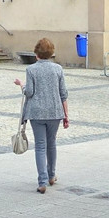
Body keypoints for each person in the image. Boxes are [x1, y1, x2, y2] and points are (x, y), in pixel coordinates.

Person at [14, 38, 69, 193]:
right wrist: (66, 115)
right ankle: (51, 175)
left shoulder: (31, 70)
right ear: (51, 53)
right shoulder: (58, 69)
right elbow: (63, 93)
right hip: (54, 112)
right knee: (51, 143)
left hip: (37, 113)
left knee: (40, 146)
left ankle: (42, 182)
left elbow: (29, 92)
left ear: (36, 53)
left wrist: (21, 85)